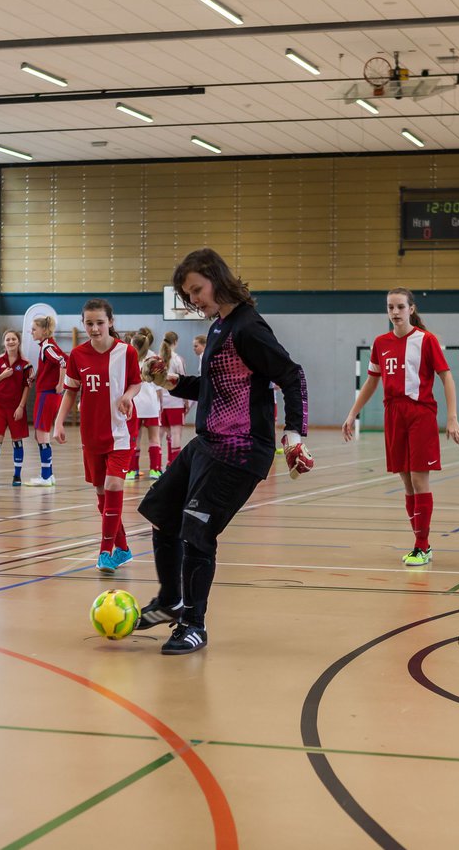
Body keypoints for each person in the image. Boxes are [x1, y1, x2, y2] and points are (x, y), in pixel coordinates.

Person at [137, 248, 312, 655]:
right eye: (188, 294)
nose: (194, 299)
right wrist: (170, 381)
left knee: (197, 531)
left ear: (217, 278)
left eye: (197, 289)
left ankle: (193, 625)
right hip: (208, 442)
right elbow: (214, 387)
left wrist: (295, 432)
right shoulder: (219, 327)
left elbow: (292, 375)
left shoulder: (248, 328)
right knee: (161, 513)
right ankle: (171, 600)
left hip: (241, 450)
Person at [341, 288, 459, 566]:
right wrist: (352, 414)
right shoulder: (380, 343)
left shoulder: (426, 341)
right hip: (393, 413)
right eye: (390, 307)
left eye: (399, 307)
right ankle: (420, 543)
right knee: (406, 481)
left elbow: (447, 378)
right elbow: (372, 381)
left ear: (411, 309)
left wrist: (452, 417)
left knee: (420, 479)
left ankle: (422, 546)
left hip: (420, 413)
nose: (394, 312)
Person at [52, 299, 140, 573]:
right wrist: (58, 422)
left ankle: (105, 552)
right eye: (89, 323)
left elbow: (136, 383)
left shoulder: (126, 353)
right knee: (103, 493)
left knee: (114, 486)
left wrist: (127, 395)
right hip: (91, 434)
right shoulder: (77, 355)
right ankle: (123, 549)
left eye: (100, 322)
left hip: (121, 432)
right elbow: (70, 391)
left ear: (110, 322)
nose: (94, 328)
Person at [25, 315, 67, 487]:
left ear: (43, 330)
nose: (31, 332)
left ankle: (46, 476)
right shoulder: (46, 346)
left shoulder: (48, 346)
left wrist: (60, 384)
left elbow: (64, 361)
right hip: (46, 393)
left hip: (47, 394)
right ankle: (48, 474)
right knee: (40, 434)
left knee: (42, 433)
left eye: (34, 329)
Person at [0, 329, 32, 486]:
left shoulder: (26, 364)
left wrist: (21, 407)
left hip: (15, 408)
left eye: (13, 339)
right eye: (8, 339)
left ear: (18, 341)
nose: (11, 342)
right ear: (4, 343)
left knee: (17, 441)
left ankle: (17, 475)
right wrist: (3, 376)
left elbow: (27, 387)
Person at [127, 327, 164, 481]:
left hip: (134, 403)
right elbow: (159, 386)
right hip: (150, 404)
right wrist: (160, 405)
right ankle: (155, 470)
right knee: (154, 438)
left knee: (133, 438)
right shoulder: (155, 359)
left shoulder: (128, 357)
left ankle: (130, 470)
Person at [158, 331, 189, 464]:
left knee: (161, 434)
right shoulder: (177, 359)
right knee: (176, 433)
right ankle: (174, 463)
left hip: (162, 402)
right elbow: (183, 381)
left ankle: (157, 464)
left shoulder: (157, 359)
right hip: (175, 401)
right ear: (175, 342)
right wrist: (186, 401)